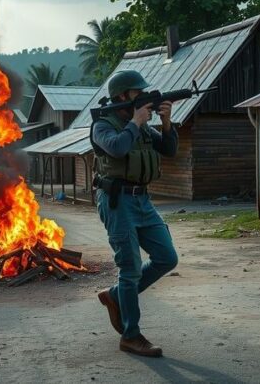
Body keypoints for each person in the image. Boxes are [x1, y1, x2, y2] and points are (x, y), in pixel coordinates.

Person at [90, 69, 179, 358]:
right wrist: (136, 122)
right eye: (137, 92)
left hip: (142, 201)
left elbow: (169, 149)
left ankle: (116, 296)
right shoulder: (103, 125)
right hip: (117, 201)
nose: (143, 96)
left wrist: (166, 122)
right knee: (129, 270)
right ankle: (131, 335)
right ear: (122, 96)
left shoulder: (141, 126)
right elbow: (116, 149)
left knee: (167, 257)